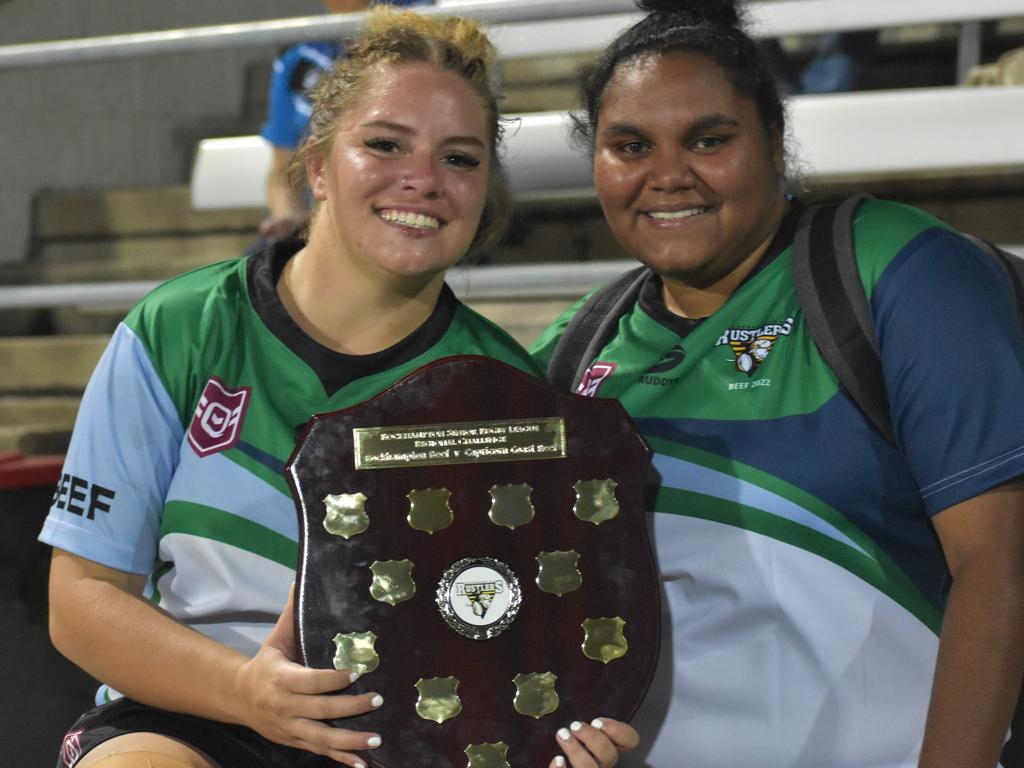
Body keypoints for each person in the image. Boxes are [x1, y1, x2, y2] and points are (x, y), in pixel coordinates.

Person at [41, 9, 637, 768]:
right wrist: (248, 692)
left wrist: (567, 729)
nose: (422, 180)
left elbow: (521, 630)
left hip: (411, 735)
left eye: (460, 158)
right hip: (193, 711)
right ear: (318, 165)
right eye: (385, 144)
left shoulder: (504, 391)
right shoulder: (181, 329)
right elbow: (81, 603)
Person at [530, 0, 1024, 766]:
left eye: (709, 139)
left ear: (774, 139)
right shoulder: (574, 351)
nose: (667, 175)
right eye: (629, 145)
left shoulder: (894, 270)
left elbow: (1001, 566)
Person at [259, 0, 431, 243]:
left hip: (403, 216)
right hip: (322, 230)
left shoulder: (427, 31)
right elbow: (280, 172)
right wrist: (288, 219)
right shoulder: (298, 57)